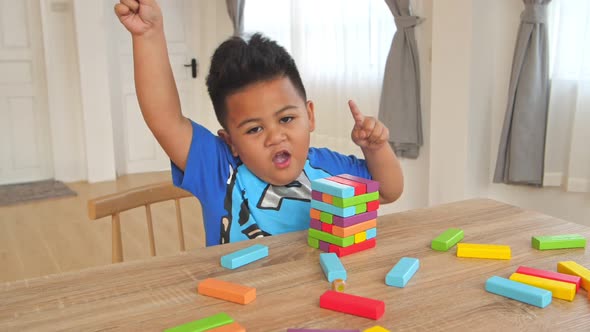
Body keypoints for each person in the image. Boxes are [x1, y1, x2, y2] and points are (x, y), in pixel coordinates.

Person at [114, 0, 404, 246]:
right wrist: (148, 36)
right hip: (239, 307)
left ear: (310, 115)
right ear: (231, 142)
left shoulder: (331, 170)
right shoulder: (220, 169)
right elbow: (165, 119)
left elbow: (388, 191)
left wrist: (376, 149)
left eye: (287, 119)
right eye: (254, 129)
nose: (276, 136)